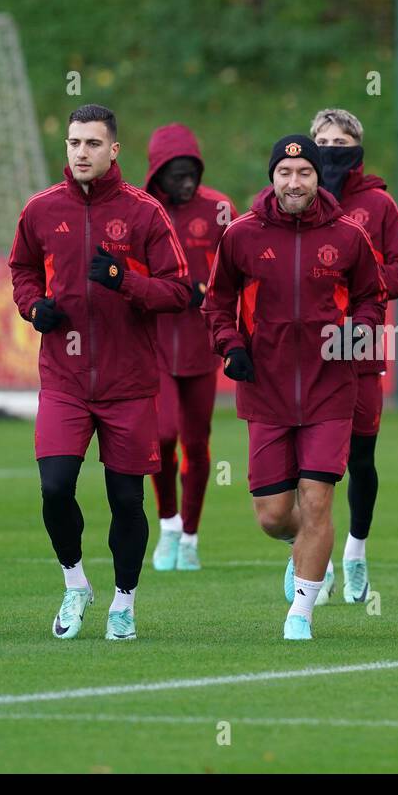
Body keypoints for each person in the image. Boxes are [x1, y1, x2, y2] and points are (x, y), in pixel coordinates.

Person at [10, 104, 191, 642]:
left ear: (114, 150)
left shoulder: (145, 213)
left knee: (127, 501)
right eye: (74, 143)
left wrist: (124, 279)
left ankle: (125, 601)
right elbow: (20, 268)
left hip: (128, 385)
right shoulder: (41, 210)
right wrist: (32, 305)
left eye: (92, 143)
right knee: (55, 487)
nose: (81, 152)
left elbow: (179, 290)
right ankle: (74, 582)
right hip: (64, 380)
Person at [202, 134, 384, 641]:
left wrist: (359, 330)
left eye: (304, 173)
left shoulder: (349, 235)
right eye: (285, 173)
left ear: (317, 176)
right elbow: (216, 305)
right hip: (266, 390)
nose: (294, 182)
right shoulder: (240, 235)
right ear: (272, 178)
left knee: (319, 501)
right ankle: (300, 546)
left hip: (331, 390)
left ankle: (300, 612)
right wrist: (230, 347)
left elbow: (373, 297)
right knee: (275, 515)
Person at [309, 107, 398, 604]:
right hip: (306, 354)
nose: (332, 148)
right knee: (314, 462)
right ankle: (316, 560)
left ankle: (356, 551)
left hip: (362, 347)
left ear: (357, 146)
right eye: (322, 141)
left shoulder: (378, 204)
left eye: (341, 140)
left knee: (360, 458)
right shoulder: (296, 196)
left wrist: (365, 292)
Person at [142, 124, 238, 573]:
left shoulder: (220, 209)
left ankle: (192, 537)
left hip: (203, 344)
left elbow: (237, 268)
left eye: (192, 173)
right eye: (176, 174)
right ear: (157, 173)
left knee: (197, 444)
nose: (186, 182)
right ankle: (168, 526)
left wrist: (214, 295)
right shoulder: (141, 210)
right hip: (155, 342)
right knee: (161, 437)